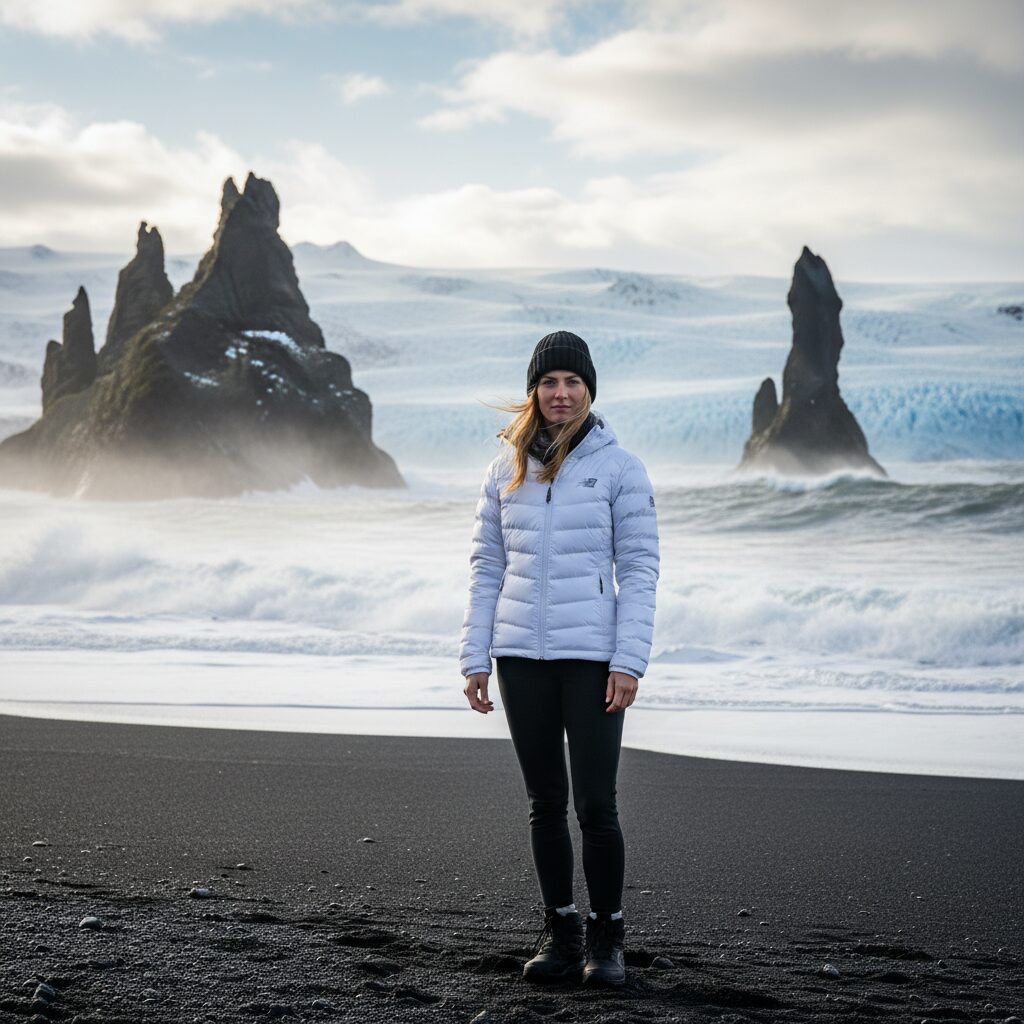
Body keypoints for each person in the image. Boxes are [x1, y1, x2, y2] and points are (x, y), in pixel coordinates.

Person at [460, 330, 660, 987]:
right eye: (549, 382)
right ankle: (560, 928)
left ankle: (607, 938)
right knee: (545, 801)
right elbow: (487, 567)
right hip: (521, 655)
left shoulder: (620, 468)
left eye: (572, 382)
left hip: (593, 658)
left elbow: (639, 568)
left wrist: (628, 660)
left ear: (589, 390)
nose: (561, 393)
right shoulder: (504, 472)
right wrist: (476, 656)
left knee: (596, 805)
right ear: (533, 392)